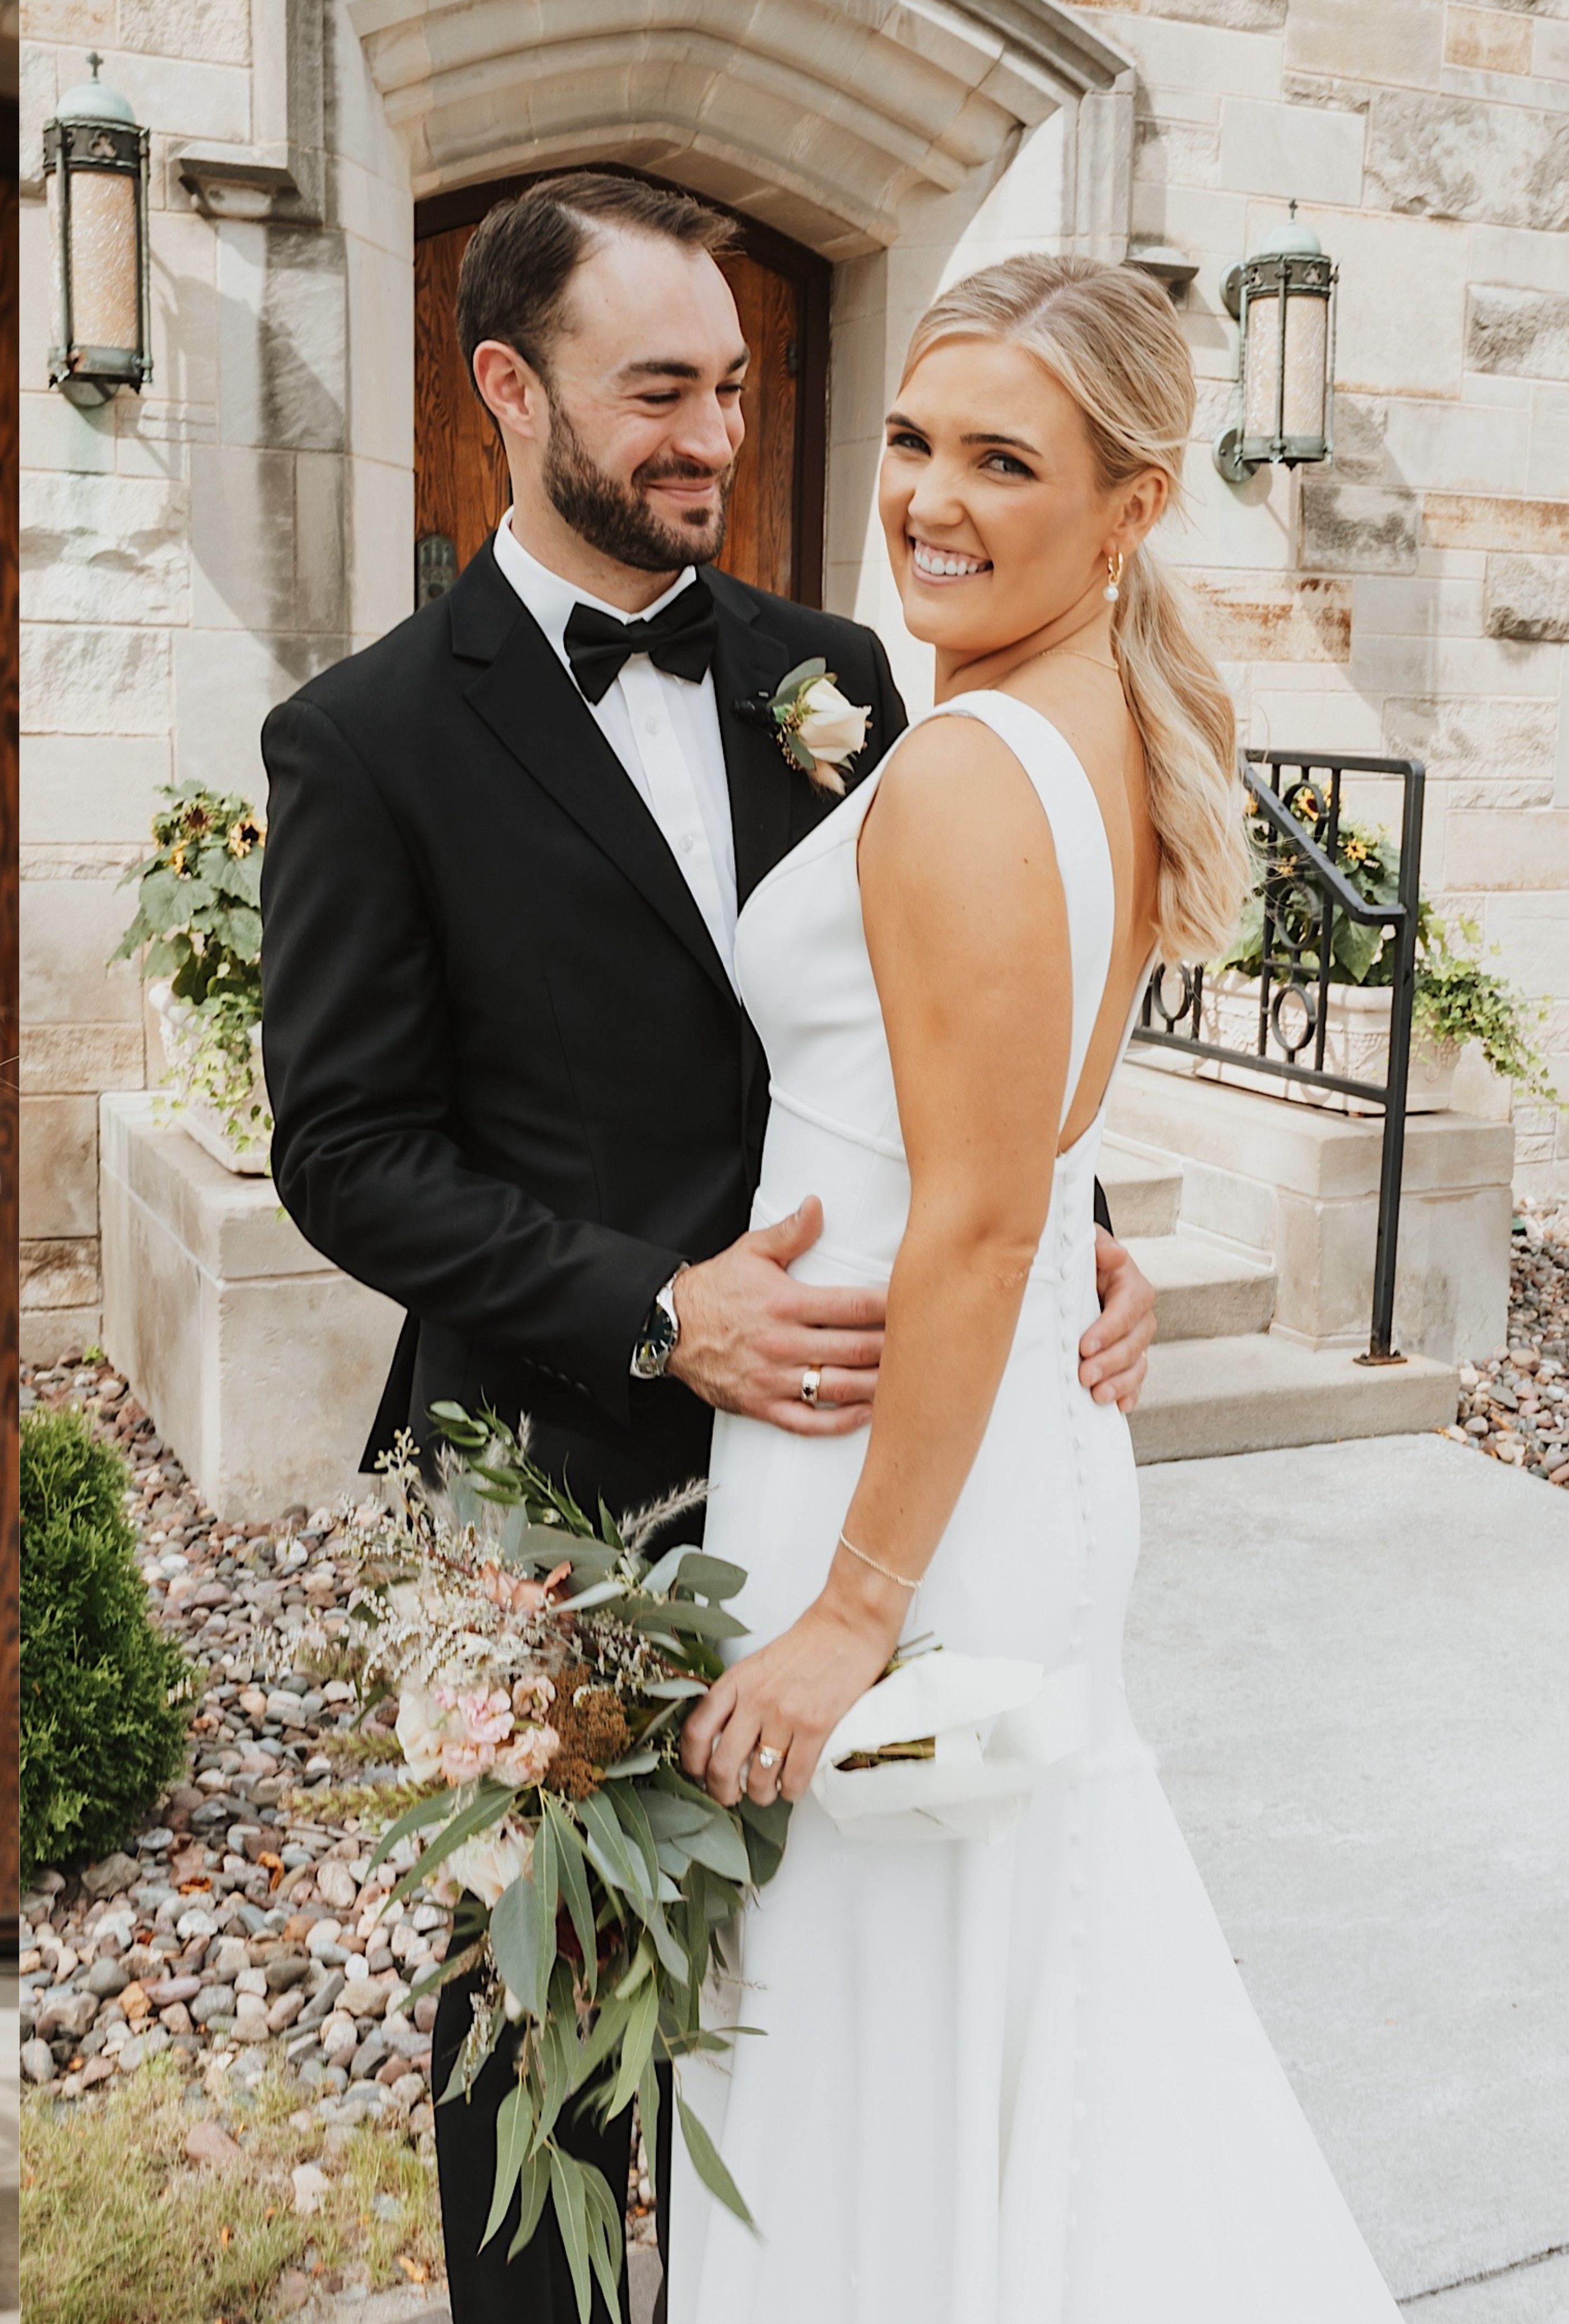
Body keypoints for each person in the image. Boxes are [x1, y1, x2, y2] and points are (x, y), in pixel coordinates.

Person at [255, 177, 1159, 2323]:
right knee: (552, 2068)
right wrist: (664, 1308)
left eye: (736, 391)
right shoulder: (365, 739)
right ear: (510, 386)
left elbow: (954, 1028)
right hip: (546, 1499)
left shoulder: (838, 677)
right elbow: (348, 1149)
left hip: (866, 1466)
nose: (716, 439)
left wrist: (1074, 1230)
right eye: (659, 389)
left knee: (820, 2055)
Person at [664, 254, 1401, 2319]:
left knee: (883, 2027)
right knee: (1000, 2008)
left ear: (1132, 502)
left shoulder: (977, 771)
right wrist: (1077, 1227)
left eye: (1004, 459)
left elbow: (978, 1221)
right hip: (978, 1435)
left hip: (900, 1480)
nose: (928, 498)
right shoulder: (1054, 718)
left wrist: (846, 1614)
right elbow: (1019, 1164)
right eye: (911, 440)